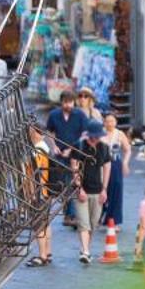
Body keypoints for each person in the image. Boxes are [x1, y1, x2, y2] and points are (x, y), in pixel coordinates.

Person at [46, 88, 89, 223]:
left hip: (75, 153)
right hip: (59, 153)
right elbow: (50, 132)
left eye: (70, 102)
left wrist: (71, 149)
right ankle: (68, 211)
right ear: (61, 102)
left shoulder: (80, 115)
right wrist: (54, 146)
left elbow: (84, 134)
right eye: (65, 102)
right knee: (63, 182)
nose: (68, 105)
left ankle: (71, 214)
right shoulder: (54, 115)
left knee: (72, 181)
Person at [72, 129, 111, 266]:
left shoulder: (104, 148)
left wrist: (104, 190)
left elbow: (107, 168)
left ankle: (84, 249)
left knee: (93, 224)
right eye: (94, 137)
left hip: (97, 191)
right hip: (81, 192)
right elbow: (74, 168)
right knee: (84, 223)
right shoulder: (79, 146)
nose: (96, 139)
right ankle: (86, 252)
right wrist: (79, 188)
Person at [26, 124, 54, 268]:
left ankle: (42, 255)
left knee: (39, 225)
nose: (29, 132)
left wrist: (31, 193)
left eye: (31, 130)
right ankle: (47, 253)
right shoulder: (45, 146)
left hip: (39, 192)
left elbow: (33, 174)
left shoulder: (37, 150)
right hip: (46, 191)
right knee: (46, 223)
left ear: (36, 133)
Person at [101, 111, 130, 228]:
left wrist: (125, 163)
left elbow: (127, 149)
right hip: (102, 164)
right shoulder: (100, 133)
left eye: (112, 121)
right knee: (103, 189)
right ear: (104, 122)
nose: (110, 123)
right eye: (107, 121)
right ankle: (101, 215)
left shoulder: (119, 134)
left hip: (116, 164)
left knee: (116, 191)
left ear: (116, 122)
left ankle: (114, 221)